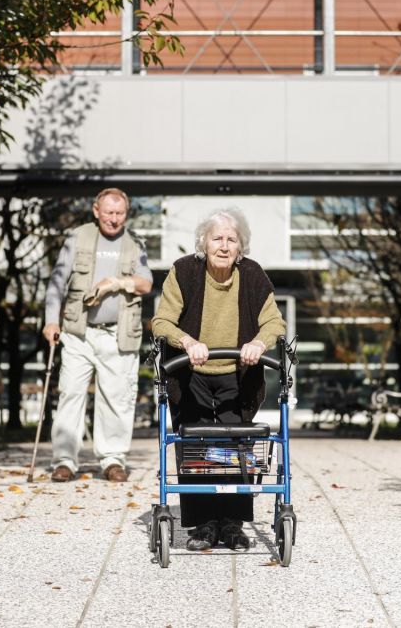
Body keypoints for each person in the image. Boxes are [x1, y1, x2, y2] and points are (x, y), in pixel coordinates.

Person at [151, 208, 286, 551]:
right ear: (204, 242)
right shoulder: (184, 271)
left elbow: (274, 323)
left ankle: (231, 524)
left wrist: (258, 343)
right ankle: (204, 524)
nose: (224, 246)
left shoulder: (253, 275)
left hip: (237, 375)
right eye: (217, 238)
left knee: (233, 449)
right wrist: (188, 342)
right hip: (190, 372)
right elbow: (162, 322)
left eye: (232, 239)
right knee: (196, 448)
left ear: (241, 247)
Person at [42, 188, 153, 483]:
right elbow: (57, 282)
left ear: (125, 215)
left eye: (120, 214)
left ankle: (113, 459)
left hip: (118, 335)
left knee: (116, 399)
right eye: (109, 213)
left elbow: (146, 283)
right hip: (78, 333)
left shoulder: (135, 243)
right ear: (96, 211)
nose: (114, 220)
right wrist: (51, 321)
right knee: (70, 395)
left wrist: (116, 282)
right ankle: (64, 460)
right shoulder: (78, 237)